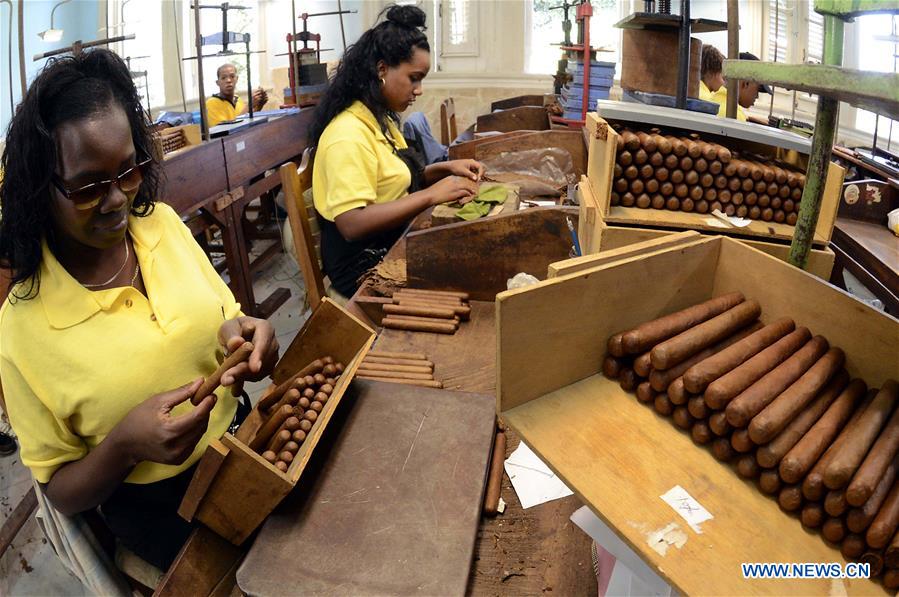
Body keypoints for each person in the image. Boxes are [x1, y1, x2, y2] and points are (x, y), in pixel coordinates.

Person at [0, 49, 279, 571]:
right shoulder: (23, 326)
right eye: (87, 186)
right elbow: (60, 489)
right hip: (162, 507)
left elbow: (225, 317)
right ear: (41, 186)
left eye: (128, 172)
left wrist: (243, 332)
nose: (116, 200)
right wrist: (125, 447)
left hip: (243, 443)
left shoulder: (163, 226)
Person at [307, 5, 484, 298]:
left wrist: (445, 169)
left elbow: (395, 180)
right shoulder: (347, 135)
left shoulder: (380, 120)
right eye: (414, 77)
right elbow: (352, 223)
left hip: (392, 240)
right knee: (469, 279)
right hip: (363, 266)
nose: (419, 90)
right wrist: (430, 195)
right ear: (382, 70)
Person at [707, 52, 773, 122]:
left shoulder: (711, 101)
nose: (757, 96)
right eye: (758, 89)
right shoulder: (736, 116)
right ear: (746, 83)